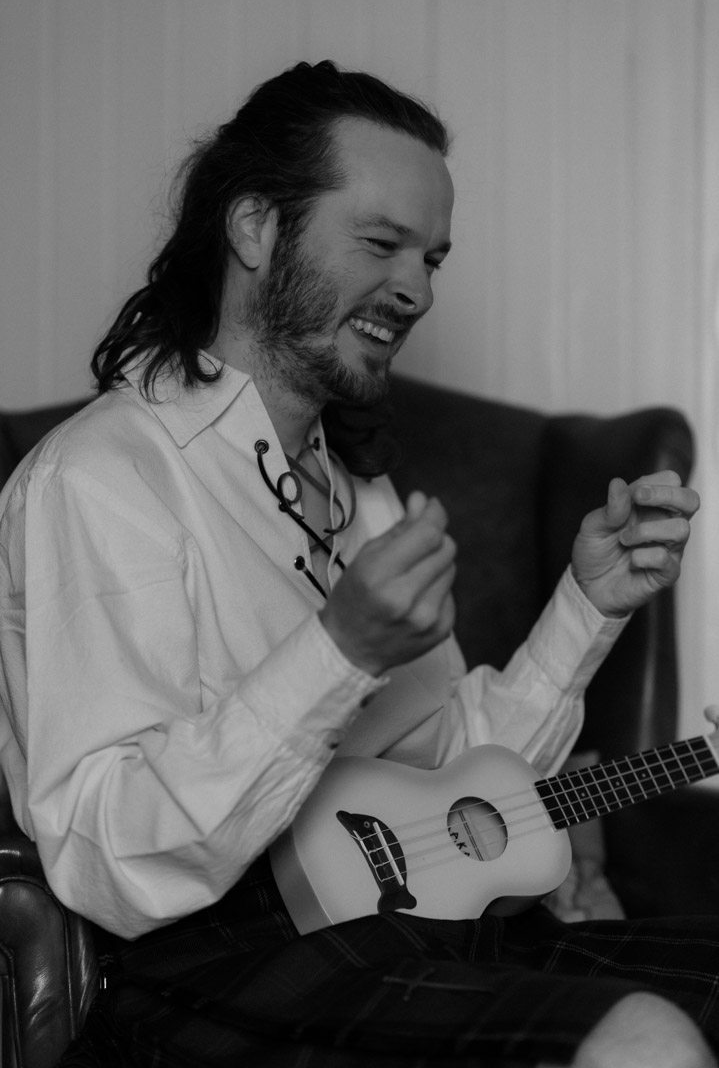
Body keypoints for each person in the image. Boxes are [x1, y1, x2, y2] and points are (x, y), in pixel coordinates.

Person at [0, 60, 714, 1068]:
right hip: (211, 963)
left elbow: (453, 790)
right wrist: (336, 653)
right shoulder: (101, 479)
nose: (416, 289)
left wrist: (586, 606)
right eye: (381, 244)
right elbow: (108, 858)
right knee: (645, 1040)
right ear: (256, 229)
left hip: (412, 933)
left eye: (432, 257)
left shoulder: (360, 491)